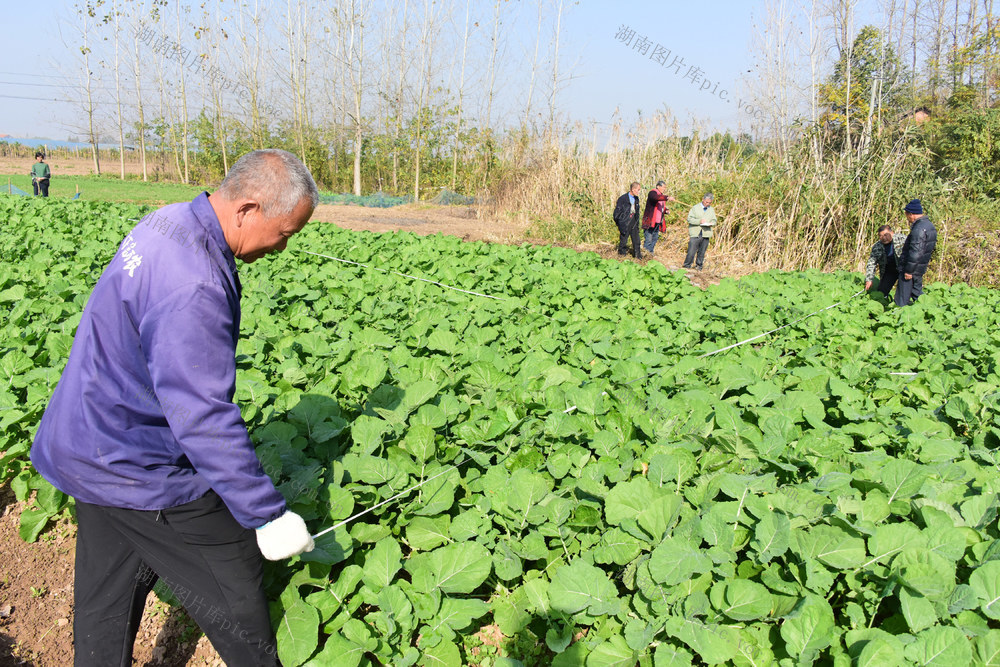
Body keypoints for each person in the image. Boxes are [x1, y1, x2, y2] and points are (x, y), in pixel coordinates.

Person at [30, 149, 319, 666]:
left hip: (88, 439)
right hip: (133, 461)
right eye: (285, 232)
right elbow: (202, 416)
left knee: (107, 596)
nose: (282, 247)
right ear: (249, 209)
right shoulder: (197, 286)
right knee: (232, 569)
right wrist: (267, 515)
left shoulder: (170, 219)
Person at [895, 198, 937, 307]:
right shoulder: (929, 225)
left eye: (906, 215)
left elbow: (915, 252)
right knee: (917, 293)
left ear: (911, 214)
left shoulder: (918, 229)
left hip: (911, 269)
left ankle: (900, 316)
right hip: (920, 267)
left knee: (902, 298)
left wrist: (908, 271)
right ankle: (930, 310)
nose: (907, 218)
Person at [864, 224, 906, 295]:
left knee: (905, 292)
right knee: (881, 292)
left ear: (892, 233)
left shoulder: (902, 239)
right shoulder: (877, 246)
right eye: (880, 236)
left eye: (886, 235)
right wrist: (869, 279)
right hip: (889, 270)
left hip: (903, 269)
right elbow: (872, 262)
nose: (883, 238)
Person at [641, 180, 676, 255]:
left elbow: (661, 207)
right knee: (648, 238)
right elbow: (655, 198)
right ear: (658, 186)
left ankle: (650, 253)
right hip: (650, 220)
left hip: (658, 221)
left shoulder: (661, 196)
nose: (664, 189)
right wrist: (667, 197)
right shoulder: (653, 193)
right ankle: (645, 253)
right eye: (663, 187)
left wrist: (666, 211)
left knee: (655, 237)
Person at [683, 193, 717, 271]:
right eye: (706, 202)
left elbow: (714, 220)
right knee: (691, 250)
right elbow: (689, 219)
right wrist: (699, 221)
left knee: (702, 251)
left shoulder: (711, 209)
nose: (707, 204)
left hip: (706, 232)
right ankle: (687, 265)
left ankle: (699, 266)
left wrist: (711, 223)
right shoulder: (695, 208)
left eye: (709, 203)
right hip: (696, 232)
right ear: (703, 199)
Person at [612, 181, 643, 258]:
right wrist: (620, 223)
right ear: (633, 189)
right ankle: (621, 256)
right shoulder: (623, 199)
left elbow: (637, 212)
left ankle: (638, 257)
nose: (639, 192)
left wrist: (637, 222)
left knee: (636, 241)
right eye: (638, 190)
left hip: (634, 221)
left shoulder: (636, 199)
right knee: (623, 240)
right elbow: (616, 213)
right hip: (625, 222)